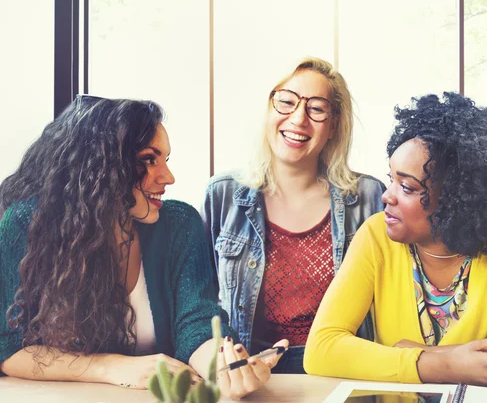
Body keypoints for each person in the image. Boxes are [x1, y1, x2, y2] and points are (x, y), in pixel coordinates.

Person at [0, 95, 285, 399]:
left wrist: (224, 365)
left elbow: (197, 323)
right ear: (98, 165)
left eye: (165, 160)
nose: (168, 177)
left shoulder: (179, 223)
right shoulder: (27, 223)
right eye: (149, 160)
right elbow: (9, 348)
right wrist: (110, 367)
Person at [304, 92, 487, 389]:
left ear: (458, 199)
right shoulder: (375, 237)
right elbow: (322, 349)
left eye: (406, 187)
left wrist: (430, 356)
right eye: (390, 178)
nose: (387, 195)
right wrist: (443, 364)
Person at [201, 57, 386, 373]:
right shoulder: (223, 195)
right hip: (251, 375)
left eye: (316, 109)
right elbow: (201, 305)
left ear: (334, 125)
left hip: (341, 372)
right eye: (286, 102)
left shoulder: (368, 198)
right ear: (269, 110)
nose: (298, 118)